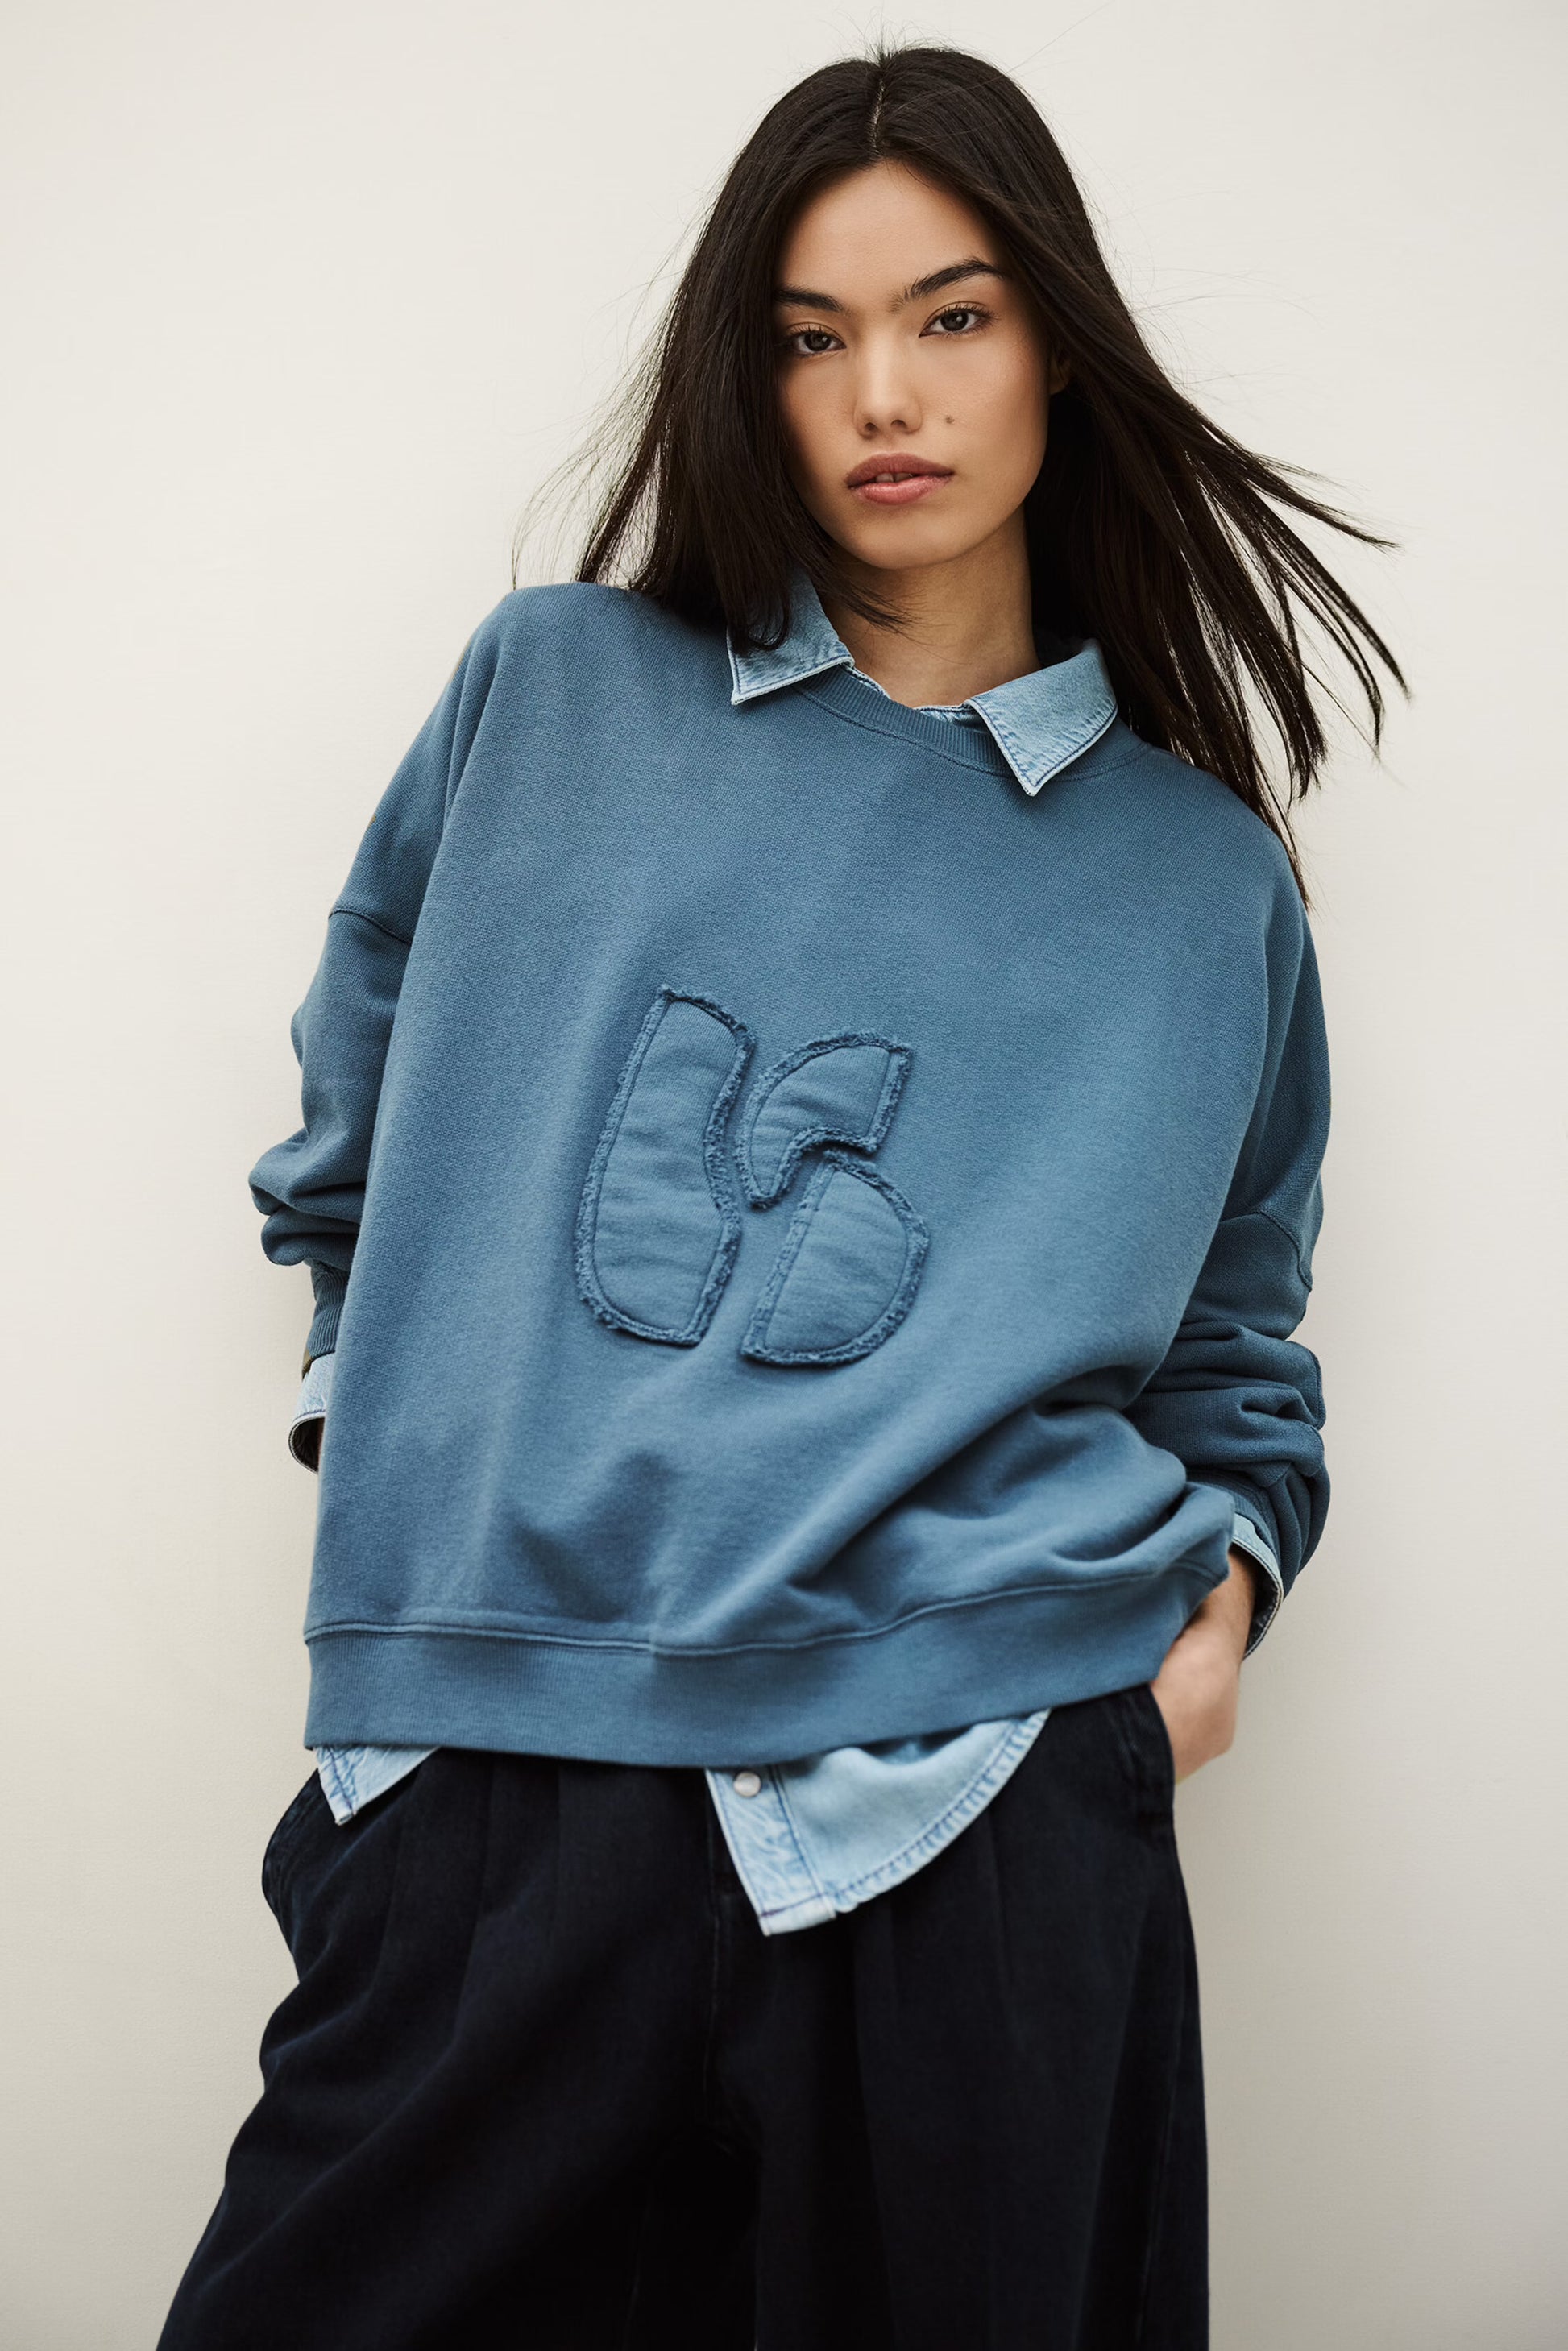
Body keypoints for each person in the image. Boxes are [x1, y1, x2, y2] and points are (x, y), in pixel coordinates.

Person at [158, 41, 1400, 2351]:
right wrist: (418, 1480)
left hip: (992, 1807)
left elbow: (1238, 1333)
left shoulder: (1199, 879)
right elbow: (353, 1128)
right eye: (807, 338)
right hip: (504, 1787)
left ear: (1054, 342)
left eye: (948, 317)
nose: (879, 399)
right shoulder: (553, 694)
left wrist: (1199, 1624)